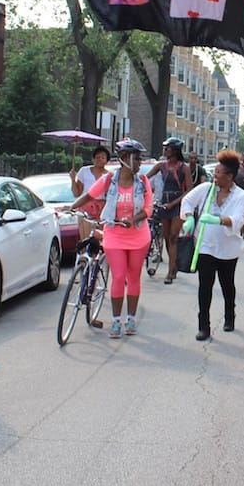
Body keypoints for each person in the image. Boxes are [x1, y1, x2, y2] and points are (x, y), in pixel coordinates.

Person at [72, 139, 154, 337]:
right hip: (114, 235)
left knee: (133, 277)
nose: (140, 163)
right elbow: (89, 196)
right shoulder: (109, 180)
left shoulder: (142, 182)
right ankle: (116, 321)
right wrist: (71, 206)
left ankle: (131, 319)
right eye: (137, 159)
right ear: (125, 159)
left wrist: (133, 219)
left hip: (138, 236)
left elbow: (148, 209)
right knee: (118, 276)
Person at [178, 150, 244, 341]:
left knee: (227, 285)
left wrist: (219, 220)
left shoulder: (241, 196)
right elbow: (187, 201)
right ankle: (204, 325)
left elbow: (238, 220)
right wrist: (188, 218)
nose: (215, 175)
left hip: (228, 249)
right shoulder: (206, 189)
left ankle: (229, 316)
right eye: (215, 172)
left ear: (230, 176)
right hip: (205, 246)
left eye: (219, 173)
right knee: (205, 286)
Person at [147, 137, 192, 284]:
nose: (164, 151)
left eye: (167, 148)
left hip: (177, 204)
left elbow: (189, 190)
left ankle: (171, 271)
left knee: (173, 236)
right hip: (163, 203)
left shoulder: (183, 167)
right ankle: (174, 264)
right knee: (166, 237)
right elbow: (146, 178)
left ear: (175, 151)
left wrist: (174, 203)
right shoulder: (161, 166)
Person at [70, 145, 110, 240]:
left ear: (107, 160)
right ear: (93, 159)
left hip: (102, 209)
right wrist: (73, 180)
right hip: (85, 207)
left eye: (102, 157)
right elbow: (77, 194)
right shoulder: (84, 171)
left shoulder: (109, 175)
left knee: (102, 238)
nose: (99, 159)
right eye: (97, 157)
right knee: (86, 238)